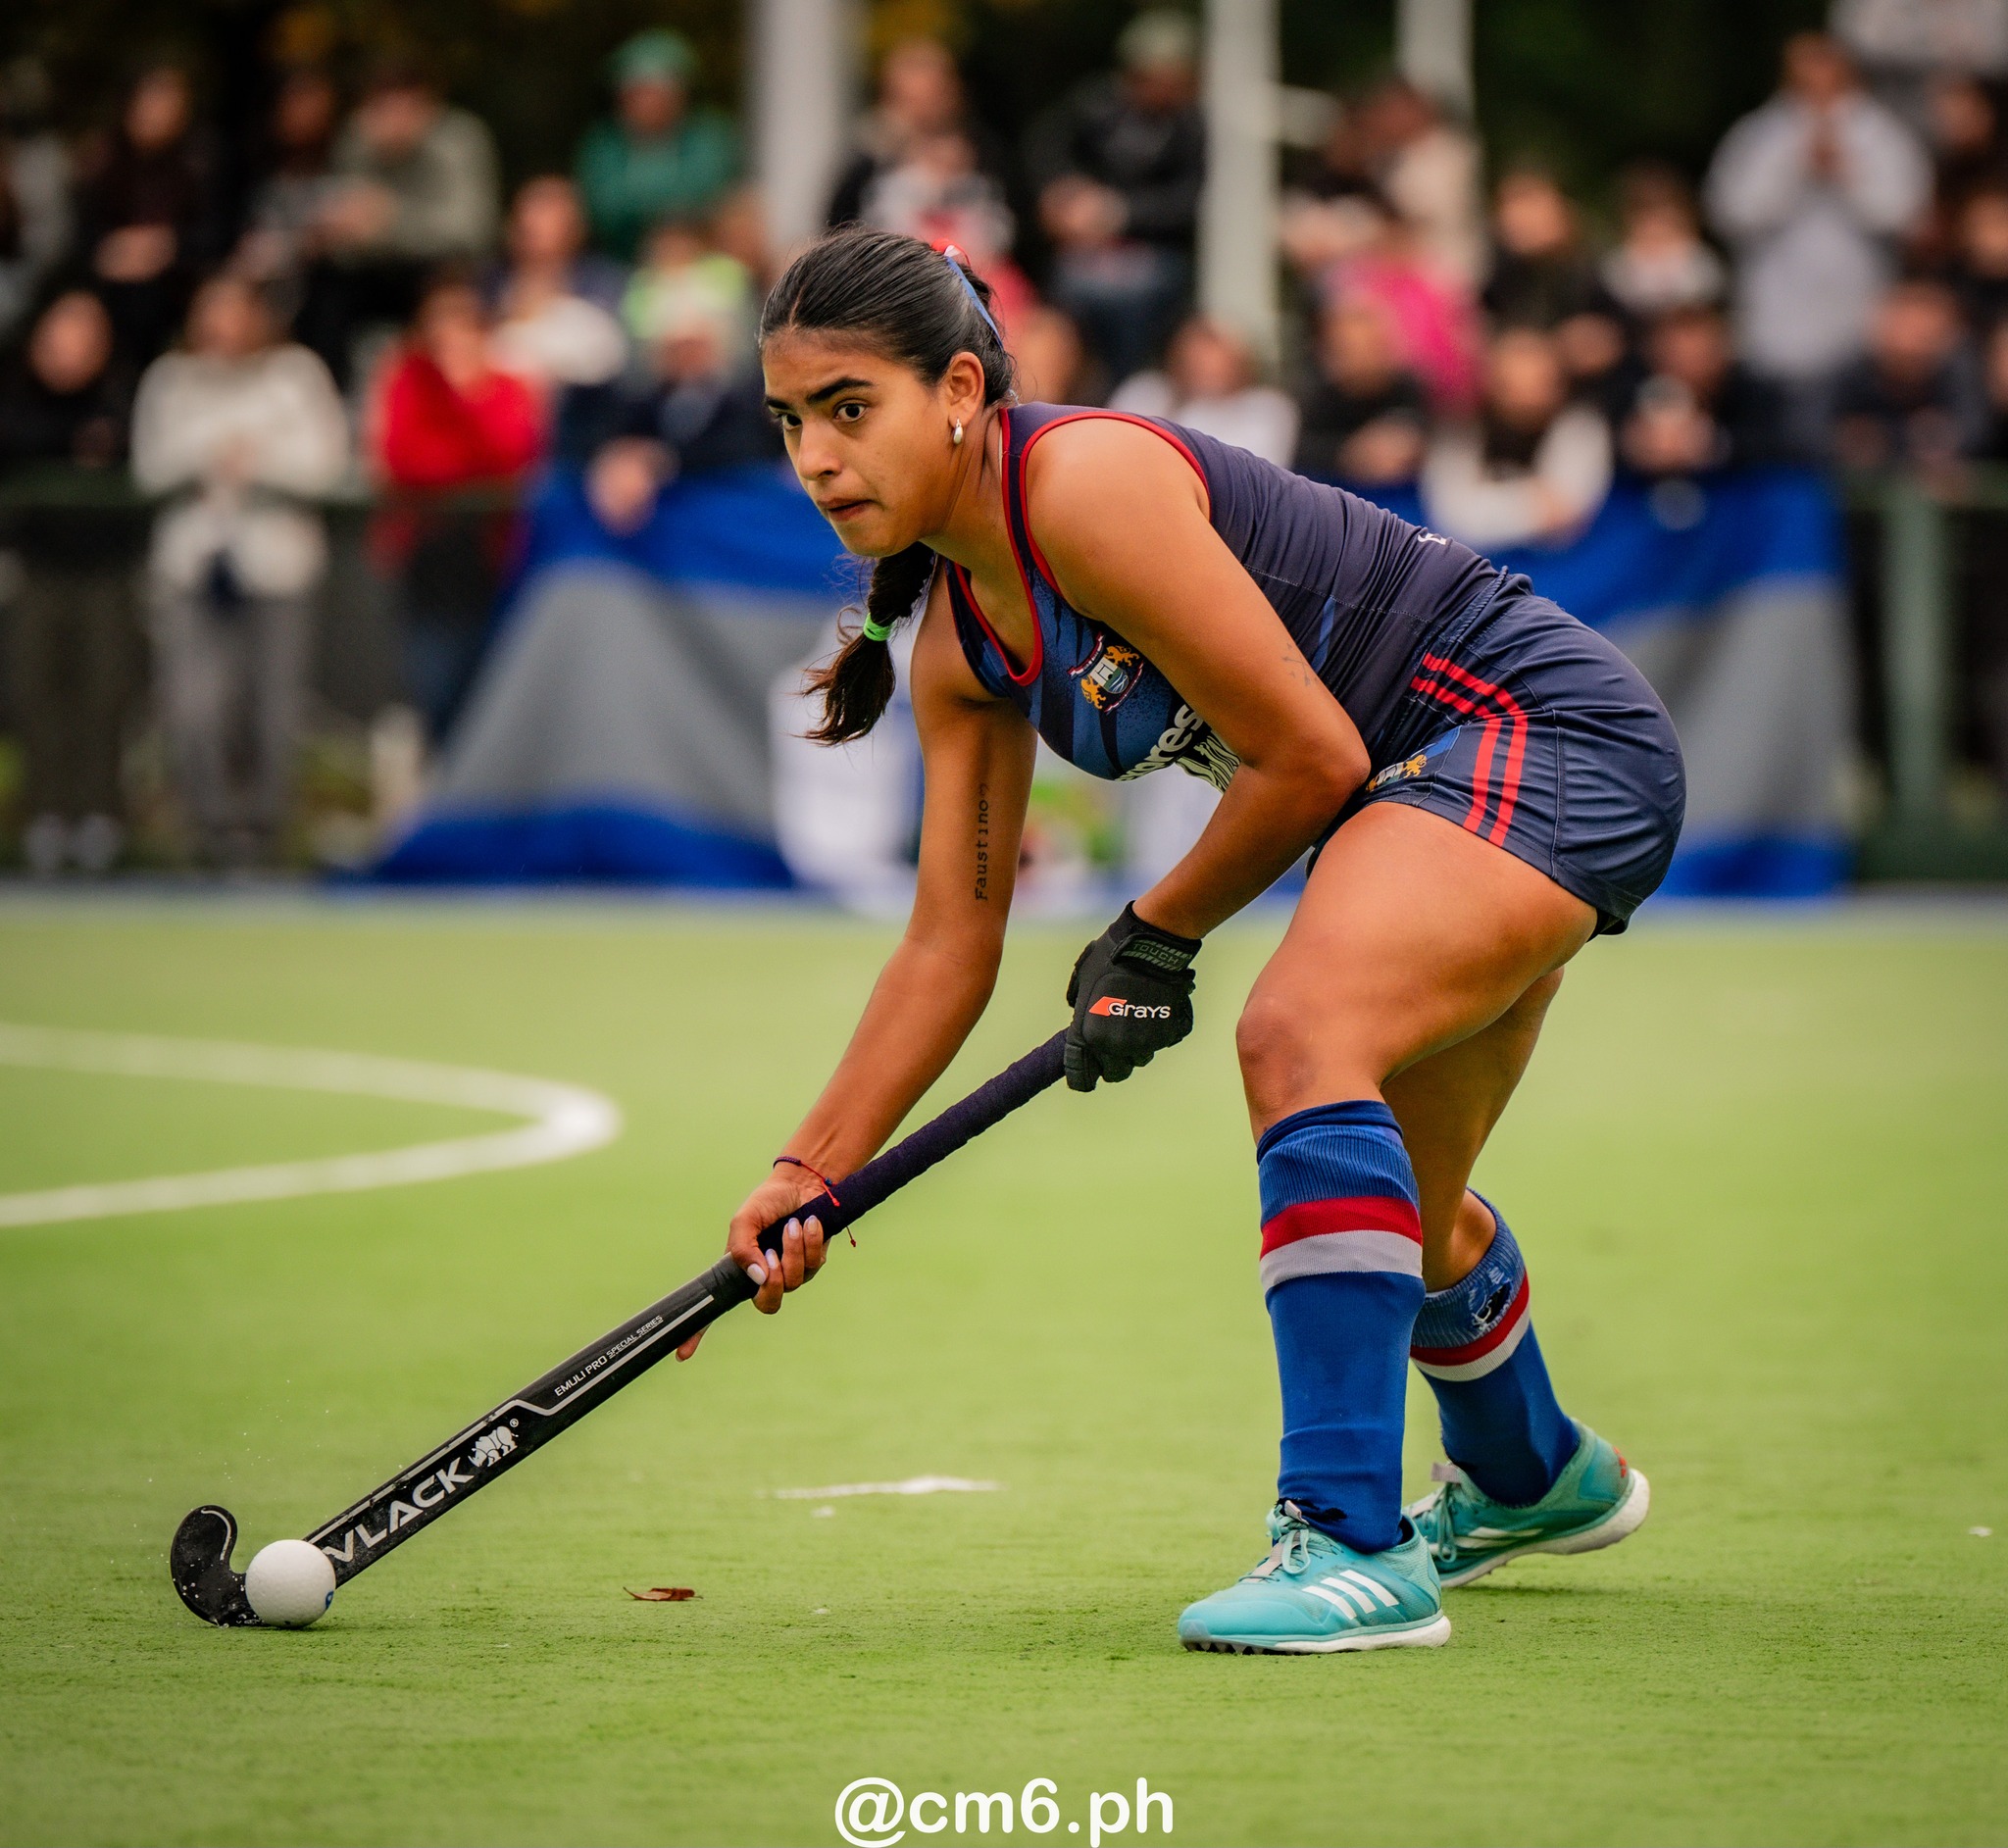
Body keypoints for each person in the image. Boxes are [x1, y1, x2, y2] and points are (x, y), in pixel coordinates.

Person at [674, 227, 1682, 1658]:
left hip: (1536, 738)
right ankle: (1532, 1475)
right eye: (791, 424)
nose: (819, 458)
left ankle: (1348, 1542)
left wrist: (1155, 934)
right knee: (1408, 1197)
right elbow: (947, 947)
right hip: (1412, 792)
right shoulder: (964, 641)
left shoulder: (1083, 487)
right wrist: (808, 1171)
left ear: (960, 387)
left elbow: (1308, 754)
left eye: (852, 409)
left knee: (1298, 1038)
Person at [130, 275, 349, 867]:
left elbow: (328, 464)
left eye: (233, 310)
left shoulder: (295, 374)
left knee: (275, 709)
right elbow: (148, 468)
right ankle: (210, 833)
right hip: (193, 569)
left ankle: (266, 836)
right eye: (210, 310)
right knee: (194, 708)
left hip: (277, 569)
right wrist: (208, 455)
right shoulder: (170, 380)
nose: (220, 324)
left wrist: (262, 462)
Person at [1705, 31, 1932, 455]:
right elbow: (1729, 212)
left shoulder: (1883, 136)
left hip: (1859, 316)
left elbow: (1908, 216)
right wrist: (1794, 170)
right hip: (1776, 316)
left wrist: (1848, 175)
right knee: (1777, 443)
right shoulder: (1759, 134)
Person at [0, 289, 139, 875]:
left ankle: (100, 818)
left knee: (104, 694)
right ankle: (46, 817)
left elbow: (136, 457)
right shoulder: (15, 397)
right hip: (37, 567)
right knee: (36, 690)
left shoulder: (121, 398)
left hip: (106, 570)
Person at [369, 274, 543, 740]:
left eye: (462, 327)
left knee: (495, 693)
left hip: (497, 561)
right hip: (429, 561)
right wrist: (455, 404)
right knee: (435, 690)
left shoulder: (508, 387)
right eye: (438, 331)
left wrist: (466, 400)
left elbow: (512, 454)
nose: (451, 342)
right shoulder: (408, 380)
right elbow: (404, 459)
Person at [1025, 9, 1206, 386]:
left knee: (1133, 303)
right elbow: (1045, 152)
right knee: (1065, 300)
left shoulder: (1190, 127)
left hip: (1154, 252)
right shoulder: (1095, 106)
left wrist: (1119, 214)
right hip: (1084, 249)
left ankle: (1126, 392)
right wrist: (1065, 196)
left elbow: (1186, 204)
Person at [295, 61, 501, 388]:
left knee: (447, 287)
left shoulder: (459, 142)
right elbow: (346, 218)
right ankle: (325, 393)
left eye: (406, 107)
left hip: (440, 273)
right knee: (323, 290)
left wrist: (391, 225)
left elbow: (471, 231)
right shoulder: (357, 139)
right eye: (383, 107)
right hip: (372, 271)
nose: (395, 119)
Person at [74, 64, 225, 369]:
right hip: (111, 296)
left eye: (167, 104)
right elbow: (81, 240)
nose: (155, 114)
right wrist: (113, 251)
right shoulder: (102, 162)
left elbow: (218, 235)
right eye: (149, 101)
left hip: (179, 296)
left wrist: (167, 247)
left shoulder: (203, 163)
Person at [1423, 327, 1614, 550]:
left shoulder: (1582, 425)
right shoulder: (1461, 428)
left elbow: (1567, 514)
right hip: (1480, 564)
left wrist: (1491, 505)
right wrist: (1533, 504)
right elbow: (1451, 520)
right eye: (1513, 383)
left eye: (1538, 381)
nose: (1526, 397)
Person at [574, 30, 738, 264]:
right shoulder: (603, 144)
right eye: (636, 94)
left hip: (699, 259)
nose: (645, 103)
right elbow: (602, 207)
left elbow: (710, 198)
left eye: (654, 93)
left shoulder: (709, 137)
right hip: (619, 261)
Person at [827, 38, 1011, 234]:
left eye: (930, 99)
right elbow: (837, 223)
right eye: (908, 101)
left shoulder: (983, 153)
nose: (920, 113)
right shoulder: (869, 158)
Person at [1830, 273, 1988, 467]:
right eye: (1904, 325)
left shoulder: (1960, 372)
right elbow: (1804, 430)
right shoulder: (1848, 368)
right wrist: (1848, 439)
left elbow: (1975, 432)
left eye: (1923, 334)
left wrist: (1937, 438)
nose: (1909, 344)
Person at [1619, 304, 1795, 474]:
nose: (1689, 366)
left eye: (1699, 354)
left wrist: (1712, 443)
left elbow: (1781, 444)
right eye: (1677, 354)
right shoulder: (1629, 393)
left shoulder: (1754, 394)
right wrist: (1637, 446)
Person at [1109, 315, 1298, 466]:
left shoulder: (1268, 408)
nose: (1204, 363)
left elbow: (1248, 475)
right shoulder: (1145, 391)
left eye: (1216, 353)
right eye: (1196, 351)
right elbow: (1109, 452)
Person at [1291, 292, 1430, 485]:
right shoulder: (1316, 400)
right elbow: (1301, 456)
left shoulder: (1409, 388)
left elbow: (1427, 438)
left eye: (1373, 346)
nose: (1364, 358)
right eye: (1350, 348)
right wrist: (1350, 454)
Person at [1598, 163, 1729, 326]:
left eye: (1666, 222)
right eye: (1647, 222)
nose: (1656, 230)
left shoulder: (1701, 264)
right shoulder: (1616, 269)